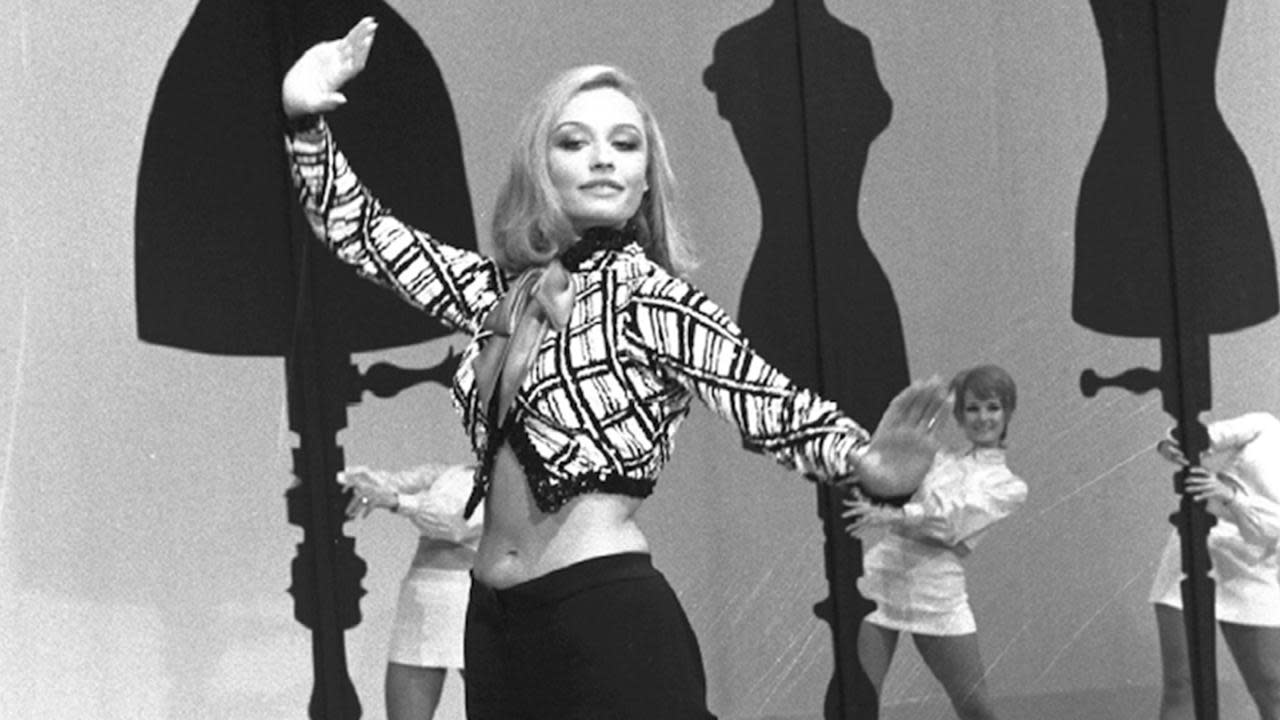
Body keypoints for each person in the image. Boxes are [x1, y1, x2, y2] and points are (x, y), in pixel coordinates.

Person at [280, 17, 950, 718]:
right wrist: (303, 118)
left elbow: (762, 395)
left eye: (625, 144)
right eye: (574, 142)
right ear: (540, 167)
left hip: (605, 622)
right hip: (493, 629)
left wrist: (865, 461)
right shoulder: (496, 294)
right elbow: (362, 233)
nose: (603, 158)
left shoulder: (653, 299)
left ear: (646, 178)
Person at [842, 364, 1027, 720]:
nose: (983, 417)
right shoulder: (935, 459)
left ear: (1007, 412)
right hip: (881, 579)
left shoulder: (1008, 485)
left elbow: (953, 522)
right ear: (959, 416)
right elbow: (885, 486)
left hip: (938, 592)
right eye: (972, 408)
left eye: (992, 407)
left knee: (976, 708)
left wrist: (898, 517)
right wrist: (875, 467)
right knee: (859, 700)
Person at [1151, 412, 1280, 720]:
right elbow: (1199, 438)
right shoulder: (1264, 426)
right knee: (1182, 685)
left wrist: (1231, 497)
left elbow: (1271, 529)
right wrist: (1175, 445)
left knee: (1274, 688)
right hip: (1197, 547)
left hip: (1256, 568)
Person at [341, 462, 481, 720]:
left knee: (497, 706)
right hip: (420, 600)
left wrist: (398, 502)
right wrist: (337, 479)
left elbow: (456, 521)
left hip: (467, 602)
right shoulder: (452, 473)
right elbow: (395, 481)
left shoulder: (503, 478)